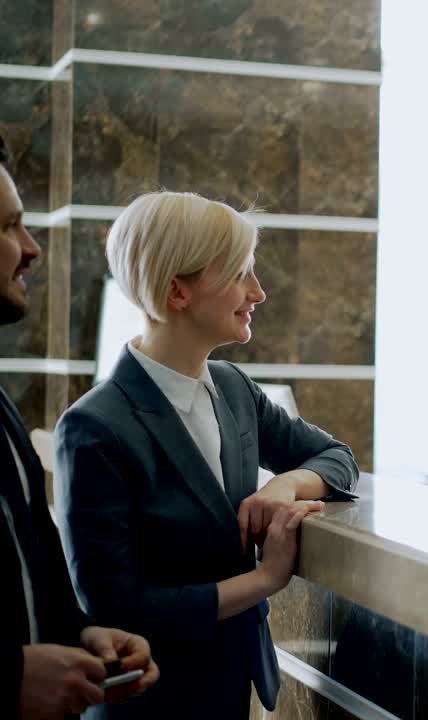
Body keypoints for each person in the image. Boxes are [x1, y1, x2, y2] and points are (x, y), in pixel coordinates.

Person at [54, 191, 359, 718]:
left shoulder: (236, 389)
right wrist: (264, 581)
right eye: (241, 275)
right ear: (178, 292)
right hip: (150, 702)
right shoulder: (93, 428)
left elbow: (336, 457)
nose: (258, 293)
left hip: (230, 689)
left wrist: (283, 484)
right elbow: (116, 607)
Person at [0, 134, 158, 717]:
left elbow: (30, 559)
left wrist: (80, 633)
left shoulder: (0, 406)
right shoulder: (93, 423)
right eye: (10, 226)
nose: (32, 248)